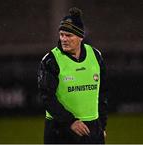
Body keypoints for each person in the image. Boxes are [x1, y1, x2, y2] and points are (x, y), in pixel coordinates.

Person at [37, 7, 108, 144]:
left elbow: (102, 94)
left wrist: (102, 126)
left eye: (69, 35)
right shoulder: (51, 60)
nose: (64, 39)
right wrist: (71, 121)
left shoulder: (96, 56)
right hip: (60, 130)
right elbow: (47, 97)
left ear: (81, 37)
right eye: (61, 34)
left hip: (92, 128)